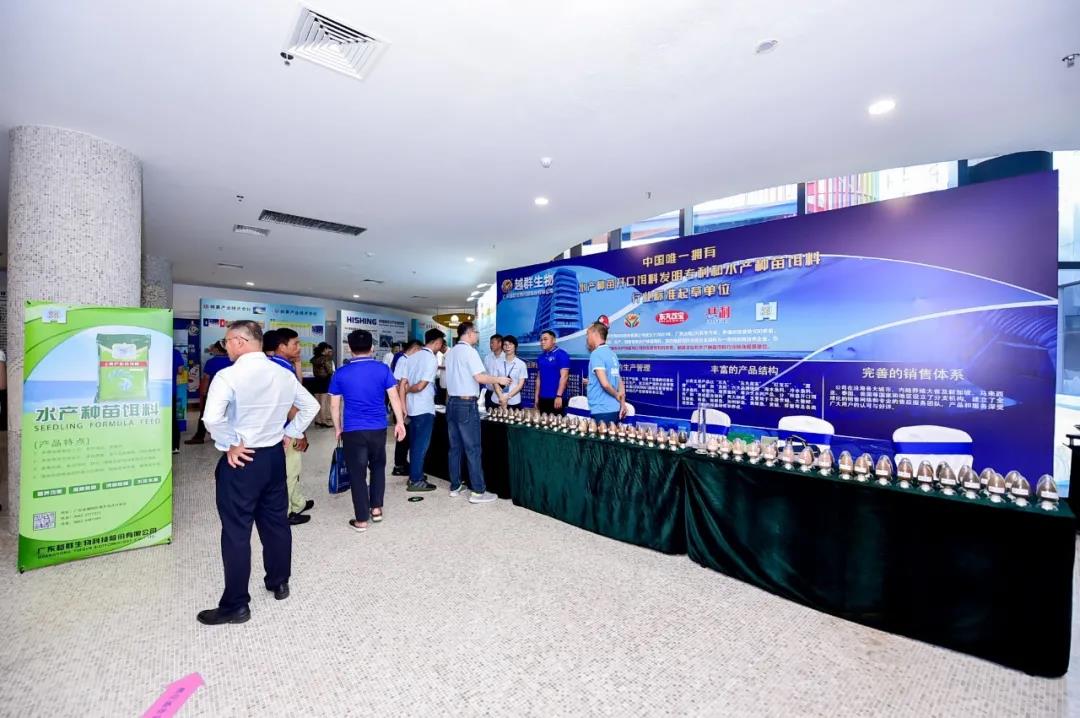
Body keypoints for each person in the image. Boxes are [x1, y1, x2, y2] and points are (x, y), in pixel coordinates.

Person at [197, 320, 319, 625]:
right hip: (273, 457)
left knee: (237, 531)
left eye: (226, 342)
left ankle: (236, 605)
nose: (226, 347)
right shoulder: (282, 373)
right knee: (276, 523)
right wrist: (291, 432)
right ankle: (279, 582)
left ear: (239, 341)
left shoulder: (228, 376)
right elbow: (311, 407)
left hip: (243, 461)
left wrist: (230, 443)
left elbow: (211, 418)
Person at [330, 329, 407, 532]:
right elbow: (394, 397)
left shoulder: (341, 373)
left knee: (357, 473)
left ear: (350, 348)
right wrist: (400, 422)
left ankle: (362, 519)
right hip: (378, 428)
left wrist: (338, 428)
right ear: (372, 347)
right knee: (378, 467)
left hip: (353, 430)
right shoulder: (383, 369)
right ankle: (376, 509)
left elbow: (334, 406)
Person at [444, 321, 510, 503]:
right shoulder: (470, 352)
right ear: (470, 333)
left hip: (452, 403)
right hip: (466, 404)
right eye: (477, 332)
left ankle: (455, 486)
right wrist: (499, 379)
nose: (478, 336)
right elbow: (479, 377)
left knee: (455, 447)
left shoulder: (451, 352)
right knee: (473, 448)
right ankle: (478, 491)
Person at [267, 328, 313, 525]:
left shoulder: (279, 365)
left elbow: (297, 391)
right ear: (281, 346)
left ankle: (297, 503)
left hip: (280, 427)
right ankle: (285, 513)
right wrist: (300, 432)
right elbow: (290, 405)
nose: (299, 347)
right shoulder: (282, 369)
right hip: (287, 428)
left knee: (293, 469)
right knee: (290, 471)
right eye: (295, 344)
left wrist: (297, 365)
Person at [402, 329, 446, 492]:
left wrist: (406, 392)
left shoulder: (412, 357)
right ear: (437, 342)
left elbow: (403, 383)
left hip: (412, 407)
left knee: (415, 444)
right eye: (441, 343)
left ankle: (415, 474)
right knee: (420, 446)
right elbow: (421, 386)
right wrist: (409, 389)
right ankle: (416, 480)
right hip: (424, 408)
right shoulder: (430, 359)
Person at [185, 341, 233, 444]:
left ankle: (199, 436)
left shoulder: (211, 362)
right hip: (230, 392)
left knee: (205, 414)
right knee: (228, 414)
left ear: (217, 349)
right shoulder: (232, 361)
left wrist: (203, 392)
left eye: (213, 348)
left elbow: (206, 378)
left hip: (214, 393)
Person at [391, 339, 423, 476]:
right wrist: (401, 405)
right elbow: (398, 384)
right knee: (403, 437)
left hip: (405, 403)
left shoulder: (407, 360)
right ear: (415, 349)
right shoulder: (404, 361)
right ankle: (399, 465)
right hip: (402, 405)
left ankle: (402, 463)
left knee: (406, 436)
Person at [586, 322, 626, 423]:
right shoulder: (612, 354)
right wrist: (622, 403)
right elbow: (619, 381)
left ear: (595, 334)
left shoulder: (596, 354)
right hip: (614, 409)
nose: (587, 338)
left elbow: (605, 384)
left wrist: (616, 395)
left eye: (588, 334)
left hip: (601, 410)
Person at [534, 330, 571, 415]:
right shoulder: (540, 357)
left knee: (557, 422)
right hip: (542, 398)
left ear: (553, 340)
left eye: (545, 339)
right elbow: (539, 378)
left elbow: (564, 377)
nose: (542, 342)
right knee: (543, 422)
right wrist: (536, 398)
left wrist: (559, 396)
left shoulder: (562, 355)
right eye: (541, 340)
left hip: (556, 398)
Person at [493, 335, 528, 408]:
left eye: (510, 344)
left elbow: (520, 385)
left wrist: (506, 397)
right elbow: (494, 381)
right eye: (505, 344)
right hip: (497, 399)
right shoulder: (497, 362)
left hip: (514, 401)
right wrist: (501, 397)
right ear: (502, 347)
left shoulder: (521, 364)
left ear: (515, 346)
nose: (507, 347)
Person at [311, 342, 335, 427]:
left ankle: (317, 420)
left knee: (317, 402)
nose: (328, 350)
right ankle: (324, 421)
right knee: (323, 402)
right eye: (327, 349)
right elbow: (330, 371)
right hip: (325, 380)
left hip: (316, 380)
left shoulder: (314, 358)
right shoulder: (325, 359)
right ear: (324, 349)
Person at [482, 334, 504, 410]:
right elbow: (484, 374)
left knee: (501, 415)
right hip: (489, 392)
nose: (490, 345)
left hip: (502, 394)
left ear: (500, 343)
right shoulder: (487, 358)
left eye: (492, 343)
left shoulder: (506, 358)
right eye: (490, 343)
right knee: (489, 415)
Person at [172, 346, 185, 454]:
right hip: (171, 390)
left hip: (155, 391)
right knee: (172, 419)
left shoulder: (155, 350)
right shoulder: (175, 353)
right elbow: (180, 371)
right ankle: (174, 447)